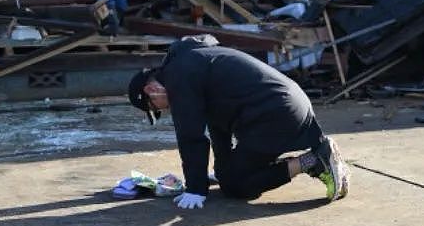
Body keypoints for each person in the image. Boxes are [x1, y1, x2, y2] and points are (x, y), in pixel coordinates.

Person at [127, 35, 350, 210]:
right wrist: (221, 169)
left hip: (275, 115)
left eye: (156, 108)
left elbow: (191, 136)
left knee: (236, 186)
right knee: (227, 177)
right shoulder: (194, 62)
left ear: (151, 90)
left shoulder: (179, 76)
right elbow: (217, 126)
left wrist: (196, 189)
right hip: (285, 106)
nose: (164, 110)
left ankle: (314, 159)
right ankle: (313, 157)